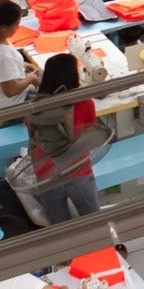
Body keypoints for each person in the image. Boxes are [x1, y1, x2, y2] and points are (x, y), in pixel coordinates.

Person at [27, 54, 101, 226]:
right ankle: (97, 251)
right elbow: (91, 135)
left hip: (46, 175)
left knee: (61, 229)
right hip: (78, 172)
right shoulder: (84, 103)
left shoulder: (35, 106)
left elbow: (32, 138)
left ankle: (69, 252)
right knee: (94, 225)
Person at [0, 0, 40, 112]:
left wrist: (24, 65)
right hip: (7, 107)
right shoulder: (2, 56)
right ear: (4, 27)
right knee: (53, 102)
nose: (18, 28)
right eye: (17, 25)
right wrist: (31, 78)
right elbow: (10, 91)